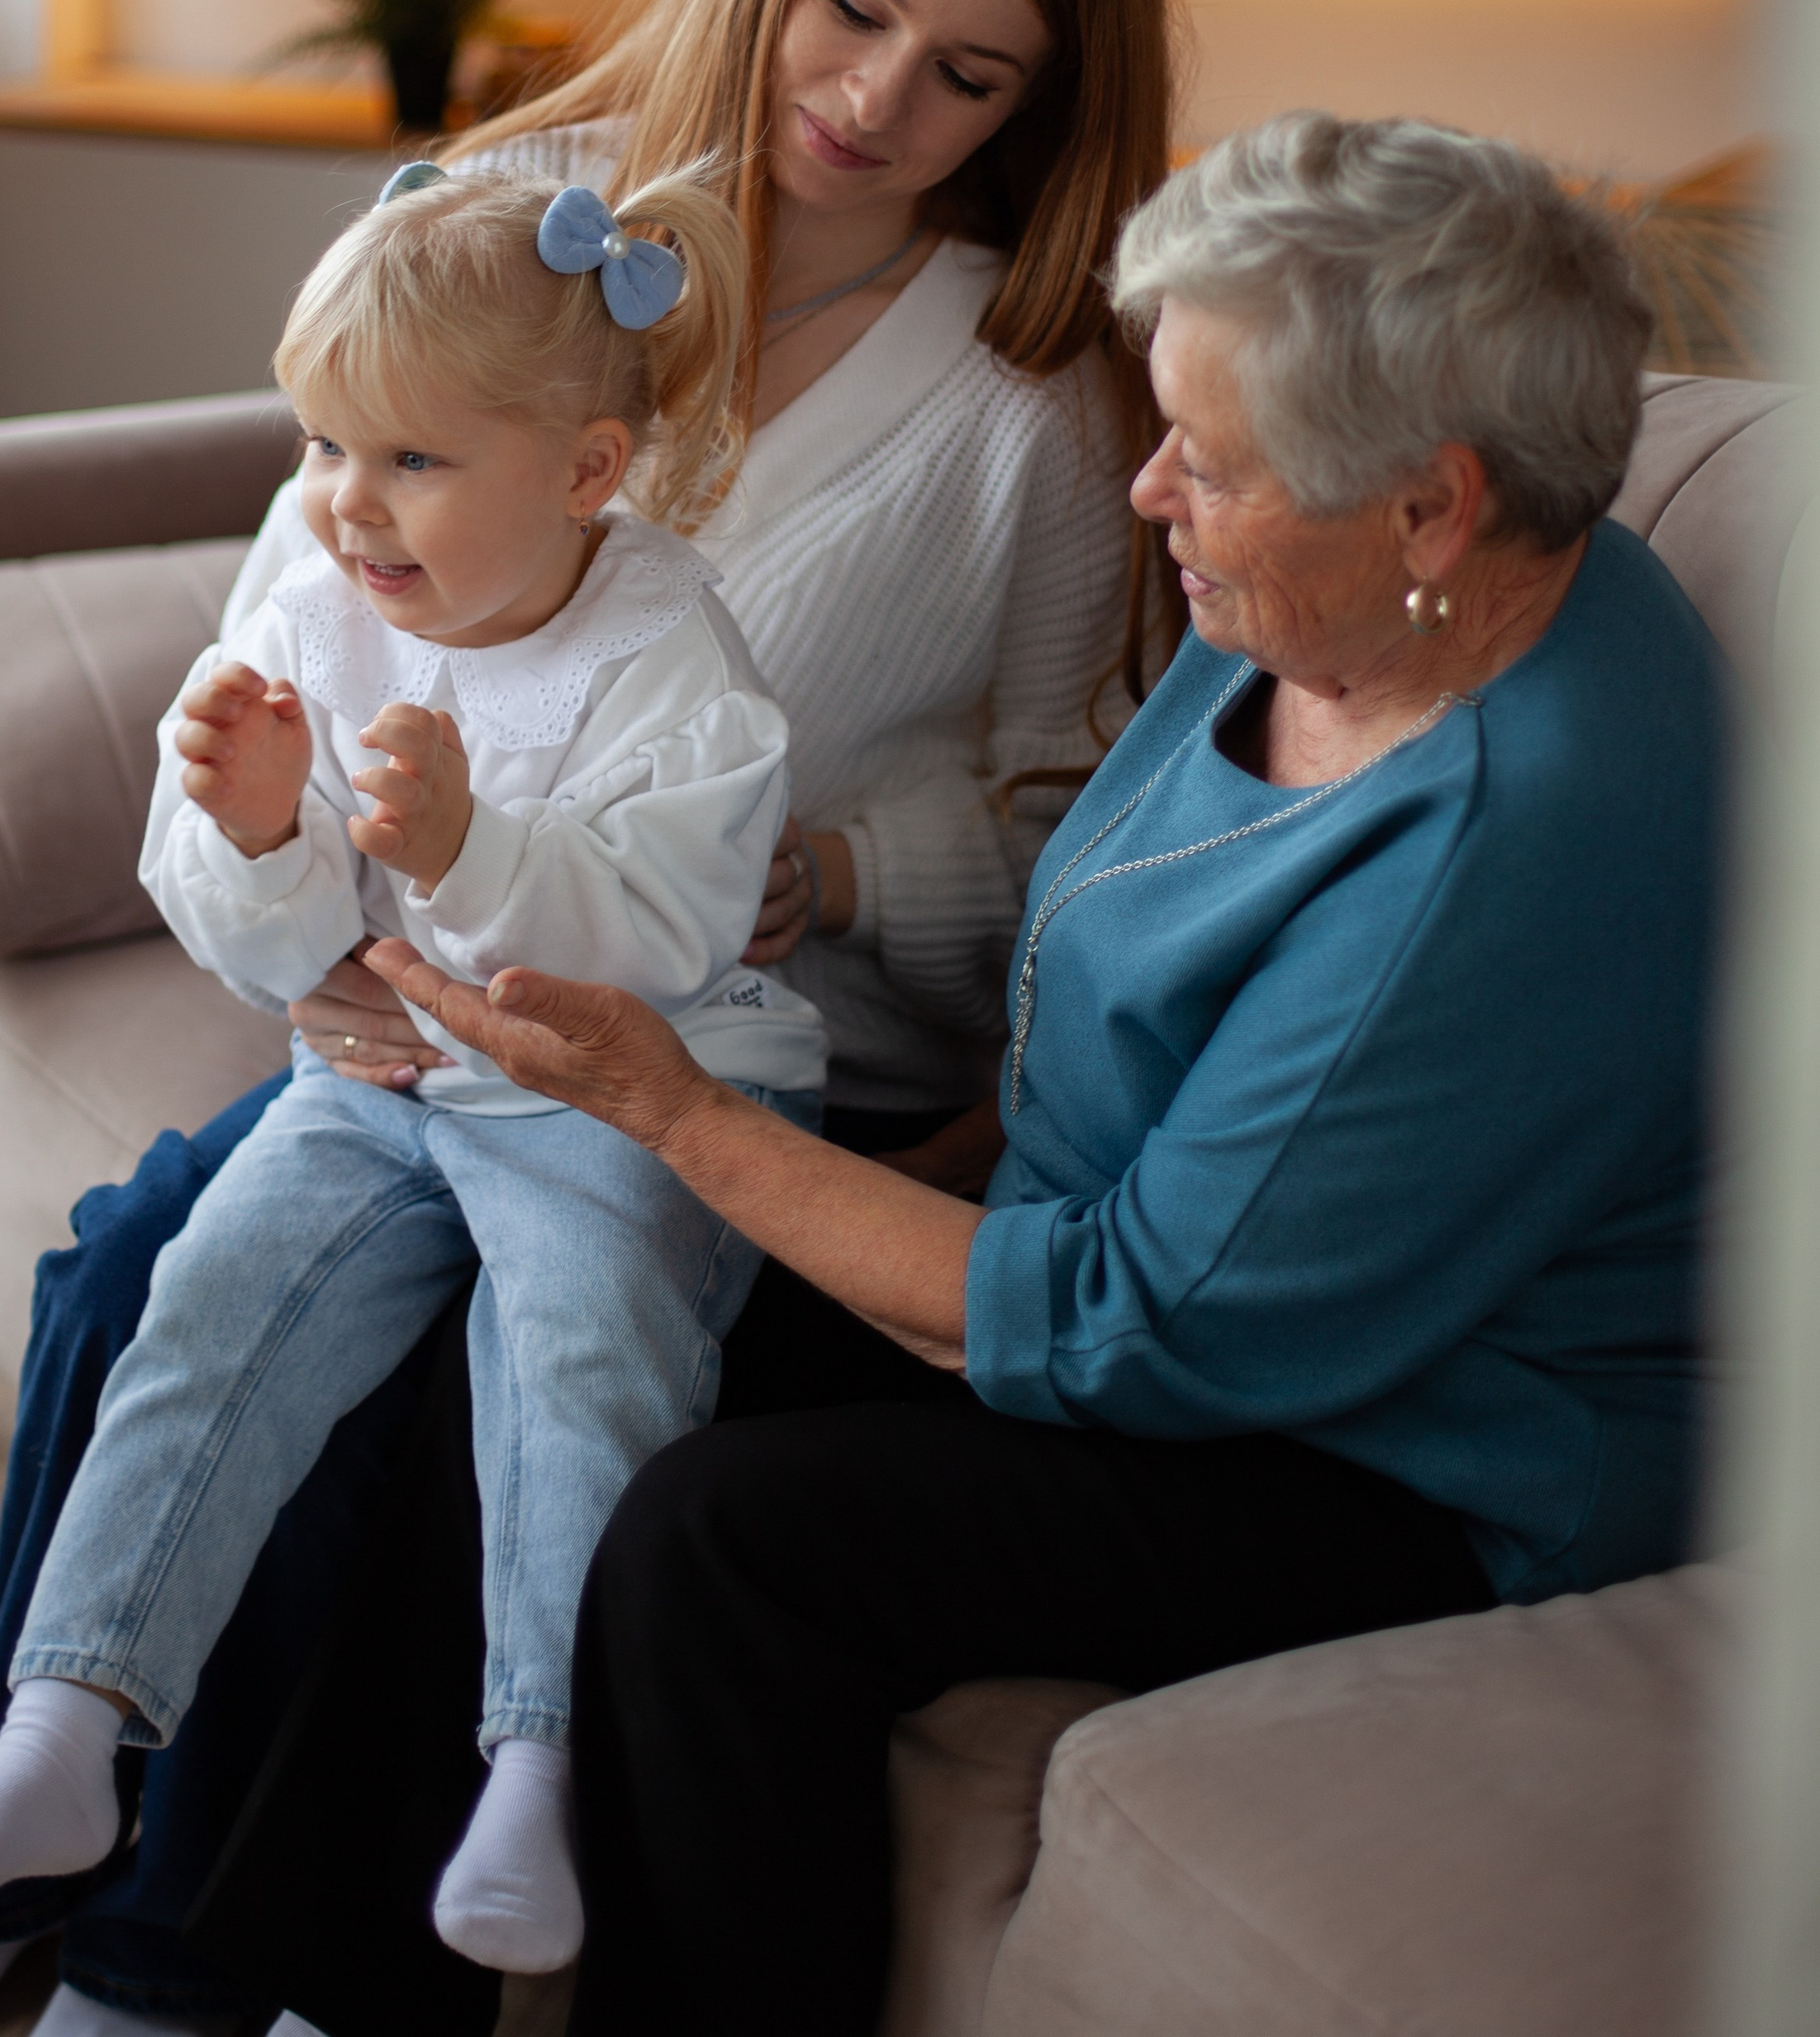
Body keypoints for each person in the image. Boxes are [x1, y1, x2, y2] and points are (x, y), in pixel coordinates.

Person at [0, 0, 1177, 2037]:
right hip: (409, 990)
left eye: (965, 77)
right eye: (850, 9)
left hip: (720, 1052)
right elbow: (306, 605)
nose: (871, 100)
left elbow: (1067, 822)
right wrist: (327, 935)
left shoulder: (1026, 406)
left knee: (477, 1359)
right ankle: (7, 1873)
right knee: (147, 1256)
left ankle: (183, 1973)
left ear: (1038, 106)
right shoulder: (521, 210)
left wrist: (836, 868)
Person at [379, 112, 1725, 2037]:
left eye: (1210, 460)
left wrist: (672, 1106)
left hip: (1414, 1444)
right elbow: (1129, 993)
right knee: (540, 1303)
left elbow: (1130, 1327)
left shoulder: (1510, 840)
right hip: (1151, 1258)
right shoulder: (1317, 601)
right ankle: (351, 1969)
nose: (1151, 488)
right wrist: (903, 1155)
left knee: (721, 1540)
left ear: (1429, 506)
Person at [0, 159, 827, 1980]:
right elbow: (253, 930)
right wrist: (250, 843)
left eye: (408, 463)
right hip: (388, 1086)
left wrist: (473, 853)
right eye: (322, 445)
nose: (342, 505)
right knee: (205, 1298)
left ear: (587, 474)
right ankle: (68, 1727)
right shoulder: (310, 601)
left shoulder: (667, 653)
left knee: (574, 1333)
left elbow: (676, 929)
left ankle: (535, 1761)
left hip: (630, 1085)